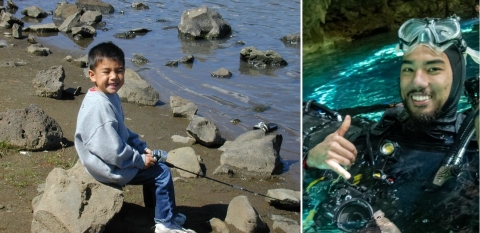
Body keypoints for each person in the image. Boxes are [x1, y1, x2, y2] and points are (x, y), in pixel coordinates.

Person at [303, 17, 479, 232]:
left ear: (458, 77)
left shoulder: (473, 153)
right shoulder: (378, 136)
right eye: (408, 69)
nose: (417, 81)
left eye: (433, 69)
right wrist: (311, 162)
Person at [74, 42, 195, 233]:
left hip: (110, 156)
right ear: (92, 75)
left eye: (119, 71)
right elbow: (111, 150)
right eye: (106, 72)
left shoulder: (107, 95)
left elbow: (121, 131)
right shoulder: (99, 106)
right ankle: (165, 224)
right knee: (161, 172)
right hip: (105, 166)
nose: (114, 77)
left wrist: (140, 147)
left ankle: (158, 212)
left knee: (155, 159)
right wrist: (138, 160)